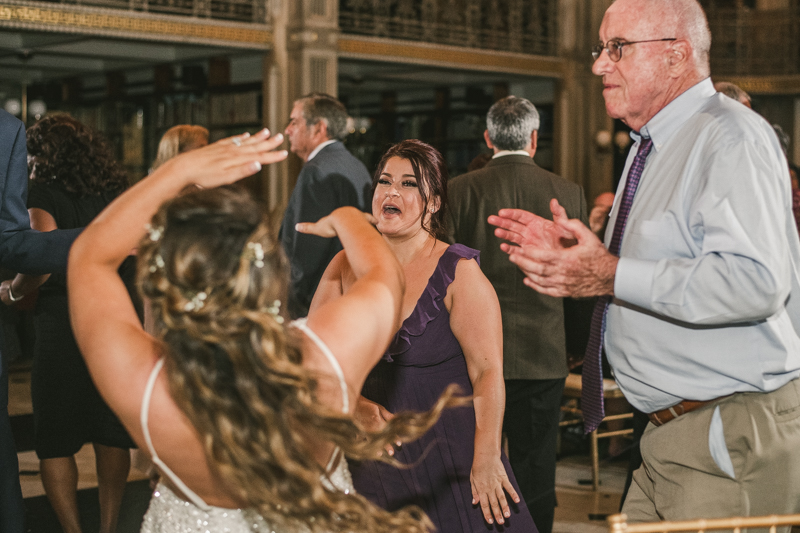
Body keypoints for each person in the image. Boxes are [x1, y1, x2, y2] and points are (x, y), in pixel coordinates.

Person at [489, 0, 800, 521]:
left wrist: (607, 273)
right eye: (600, 48)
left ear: (676, 55)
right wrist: (586, 259)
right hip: (666, 436)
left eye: (618, 48)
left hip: (724, 432)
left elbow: (756, 282)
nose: (598, 65)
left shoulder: (729, 136)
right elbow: (662, 267)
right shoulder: (649, 146)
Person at [67, 129, 460, 533]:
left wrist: (178, 170)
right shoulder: (327, 356)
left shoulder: (148, 387)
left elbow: (88, 257)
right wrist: (345, 219)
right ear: (272, 270)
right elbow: (383, 276)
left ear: (165, 286)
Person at [312, 139, 537, 533]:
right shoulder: (343, 264)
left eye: (409, 183)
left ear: (433, 202)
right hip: (372, 455)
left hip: (447, 458)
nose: (392, 191)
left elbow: (488, 372)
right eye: (384, 181)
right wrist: (355, 405)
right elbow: (313, 361)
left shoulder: (460, 273)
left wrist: (486, 457)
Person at [446, 97, 586, 533]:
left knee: (473, 459)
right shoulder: (566, 192)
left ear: (488, 139)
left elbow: (442, 275)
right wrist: (576, 349)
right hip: (543, 351)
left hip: (471, 354)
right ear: (534, 139)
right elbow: (579, 283)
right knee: (536, 465)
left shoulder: (459, 190)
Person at [0, 115, 138, 533]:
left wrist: (11, 291)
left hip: (65, 322)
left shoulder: (41, 192)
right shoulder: (117, 191)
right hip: (114, 317)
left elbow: (38, 260)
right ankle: (110, 525)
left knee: (55, 437)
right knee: (111, 429)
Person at [0, 109, 81, 533]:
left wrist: (12, 291)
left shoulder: (5, 131)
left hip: (49, 323)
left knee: (46, 445)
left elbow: (20, 249)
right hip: (77, 322)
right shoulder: (106, 189)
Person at [279, 93, 372, 319]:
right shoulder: (356, 164)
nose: (287, 130)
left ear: (319, 128)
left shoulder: (317, 170)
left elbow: (308, 249)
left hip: (316, 305)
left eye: (294, 122)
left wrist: (290, 304)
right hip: (350, 295)